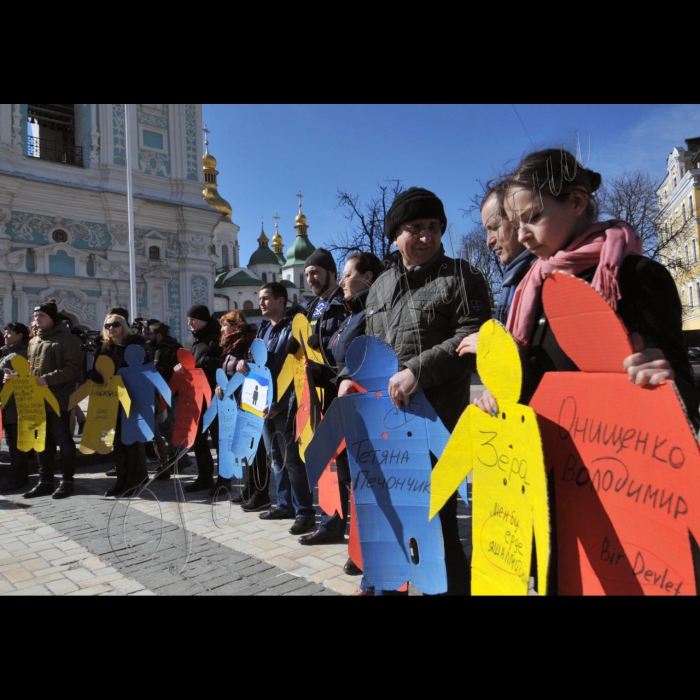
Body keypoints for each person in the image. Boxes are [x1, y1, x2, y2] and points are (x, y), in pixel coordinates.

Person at [339, 187, 492, 595]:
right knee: (388, 517)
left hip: (435, 425)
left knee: (437, 530)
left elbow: (473, 336)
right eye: (416, 228)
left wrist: (417, 372)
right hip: (385, 426)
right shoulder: (382, 285)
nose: (427, 237)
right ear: (394, 234)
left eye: (434, 228)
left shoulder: (461, 276)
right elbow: (371, 347)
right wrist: (349, 380)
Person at [474, 148, 699, 423]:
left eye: (532, 218)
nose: (522, 236)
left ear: (577, 202)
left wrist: (666, 383)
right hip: (546, 458)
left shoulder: (636, 276)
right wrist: (498, 396)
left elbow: (684, 395)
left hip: (610, 453)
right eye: (517, 223)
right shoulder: (530, 288)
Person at [297, 252, 384, 561]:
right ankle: (340, 530)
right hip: (337, 401)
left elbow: (368, 356)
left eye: (348, 274)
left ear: (369, 277)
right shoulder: (348, 312)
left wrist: (343, 376)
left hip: (363, 406)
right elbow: (339, 359)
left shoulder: (371, 313)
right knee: (342, 473)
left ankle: (366, 549)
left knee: (362, 479)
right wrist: (321, 373)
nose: (344, 280)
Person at [243, 283, 317, 535]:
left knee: (293, 461)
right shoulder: (264, 329)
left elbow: (298, 371)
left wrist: (282, 404)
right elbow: (261, 368)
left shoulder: (293, 328)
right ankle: (284, 504)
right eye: (259, 298)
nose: (260, 303)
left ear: (280, 300)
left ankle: (305, 512)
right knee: (276, 458)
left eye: (265, 298)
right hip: (264, 405)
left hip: (285, 407)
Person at [456, 182, 536, 355]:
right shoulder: (515, 279)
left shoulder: (547, 276)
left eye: (495, 227)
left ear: (520, 219)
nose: (489, 241)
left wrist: (494, 347)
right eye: (486, 230)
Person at [22, 300, 84, 499]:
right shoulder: (33, 341)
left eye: (41, 316)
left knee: (63, 440)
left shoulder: (66, 339)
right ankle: (45, 480)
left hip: (60, 399)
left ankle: (67, 481)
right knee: (43, 442)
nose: (37, 319)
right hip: (37, 402)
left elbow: (73, 369)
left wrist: (48, 379)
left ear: (52, 318)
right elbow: (30, 369)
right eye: (35, 316)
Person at [93, 313, 149, 497]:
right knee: (118, 441)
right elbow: (98, 369)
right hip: (111, 398)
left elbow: (143, 369)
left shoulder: (133, 345)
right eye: (108, 325)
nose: (111, 328)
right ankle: (122, 480)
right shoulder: (104, 347)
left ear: (123, 326)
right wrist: (93, 375)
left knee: (131, 441)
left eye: (115, 324)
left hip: (131, 396)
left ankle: (133, 481)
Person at [175, 305, 222, 493]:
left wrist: (202, 363)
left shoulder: (217, 337)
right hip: (195, 397)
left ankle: (224, 479)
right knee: (199, 439)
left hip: (214, 394)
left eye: (193, 320)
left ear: (204, 319)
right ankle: (205, 477)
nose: (190, 323)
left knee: (219, 439)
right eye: (188, 320)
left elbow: (223, 362)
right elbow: (186, 361)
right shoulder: (190, 340)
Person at [213, 310, 257, 497]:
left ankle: (252, 488)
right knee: (227, 443)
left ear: (235, 325)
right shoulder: (229, 346)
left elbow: (255, 366)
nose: (222, 329)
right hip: (228, 403)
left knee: (246, 446)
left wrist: (247, 363)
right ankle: (224, 482)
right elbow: (226, 371)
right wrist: (218, 385)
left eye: (224, 325)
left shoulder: (247, 341)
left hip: (244, 401)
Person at [147, 321, 184, 477]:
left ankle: (182, 457)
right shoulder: (176, 345)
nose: (148, 337)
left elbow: (158, 372)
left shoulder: (162, 350)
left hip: (167, 391)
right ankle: (179, 457)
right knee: (169, 424)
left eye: (150, 334)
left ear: (159, 335)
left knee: (166, 426)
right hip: (176, 391)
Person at [0, 323, 31, 493]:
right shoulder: (8, 353)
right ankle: (17, 475)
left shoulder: (20, 354)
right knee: (12, 441)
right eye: (5, 333)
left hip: (16, 404)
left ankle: (18, 477)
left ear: (19, 335)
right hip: (8, 403)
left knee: (15, 443)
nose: (6, 336)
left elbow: (25, 376)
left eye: (9, 333)